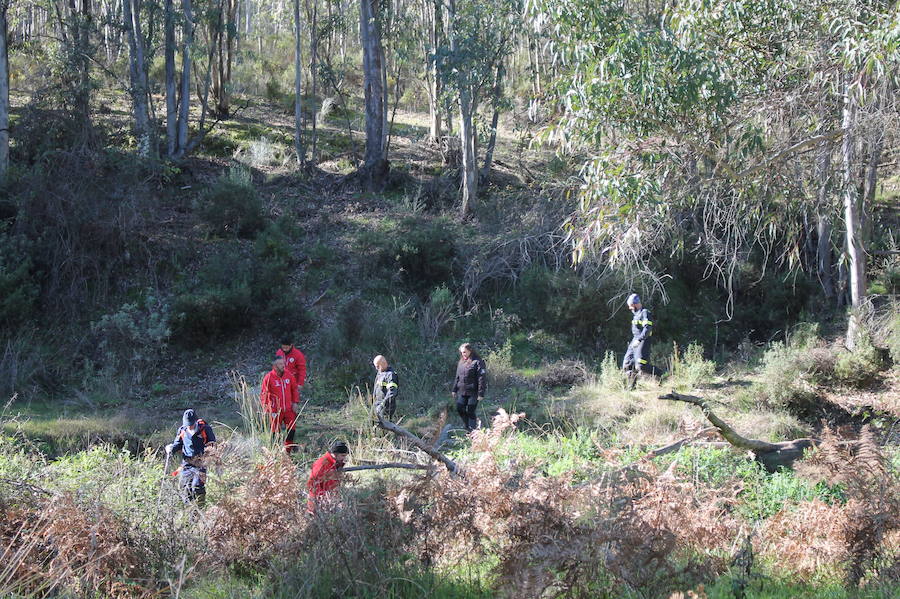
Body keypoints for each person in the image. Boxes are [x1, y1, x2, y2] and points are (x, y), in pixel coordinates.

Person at [166, 409, 216, 505]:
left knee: (197, 486)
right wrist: (171, 448)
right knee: (185, 488)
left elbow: (212, 445)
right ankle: (190, 512)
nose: (189, 426)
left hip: (201, 463)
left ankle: (201, 507)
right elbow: (178, 444)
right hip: (187, 464)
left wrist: (208, 457)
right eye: (187, 424)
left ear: (195, 421)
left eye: (191, 424)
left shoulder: (205, 429)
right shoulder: (182, 430)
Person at [260, 355, 300, 452]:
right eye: (280, 364)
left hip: (289, 408)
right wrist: (266, 408)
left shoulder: (289, 375)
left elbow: (294, 389)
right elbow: (264, 394)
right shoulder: (269, 377)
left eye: (283, 363)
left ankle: (287, 451)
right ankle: (275, 452)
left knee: (291, 430)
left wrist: (295, 402)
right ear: (274, 366)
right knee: (275, 432)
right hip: (275, 410)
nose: (283, 366)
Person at [622, 293, 661, 389]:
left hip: (643, 340)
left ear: (635, 304)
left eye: (631, 306)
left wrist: (639, 340)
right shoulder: (635, 315)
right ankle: (631, 387)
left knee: (641, 365)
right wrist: (635, 341)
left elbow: (647, 329)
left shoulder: (645, 313)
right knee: (627, 363)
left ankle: (662, 375)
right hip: (634, 340)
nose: (630, 308)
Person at [452, 343, 486, 432]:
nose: (463, 354)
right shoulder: (461, 362)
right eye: (462, 352)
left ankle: (472, 430)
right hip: (462, 391)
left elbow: (481, 378)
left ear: (470, 351)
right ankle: (466, 425)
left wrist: (480, 393)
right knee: (460, 408)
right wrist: (454, 389)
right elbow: (457, 376)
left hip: (473, 392)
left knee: (471, 410)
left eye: (465, 352)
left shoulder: (478, 362)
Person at [307, 441, 349, 513]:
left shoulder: (335, 463)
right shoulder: (321, 463)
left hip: (330, 500)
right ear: (336, 454)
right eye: (343, 455)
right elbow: (313, 483)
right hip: (318, 501)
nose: (344, 458)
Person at [372, 355, 398, 420]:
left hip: (386, 407)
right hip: (377, 405)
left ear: (384, 363)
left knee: (384, 426)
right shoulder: (380, 373)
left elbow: (392, 392)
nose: (376, 369)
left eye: (378, 366)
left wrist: (382, 405)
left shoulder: (391, 375)